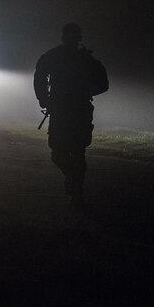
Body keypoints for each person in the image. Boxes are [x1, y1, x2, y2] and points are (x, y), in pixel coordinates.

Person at [34, 23, 109, 206]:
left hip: (74, 111)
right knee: (60, 152)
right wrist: (45, 99)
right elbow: (40, 77)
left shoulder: (81, 59)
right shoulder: (59, 57)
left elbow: (103, 84)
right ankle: (74, 182)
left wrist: (82, 92)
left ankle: (76, 190)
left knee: (74, 152)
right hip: (66, 110)